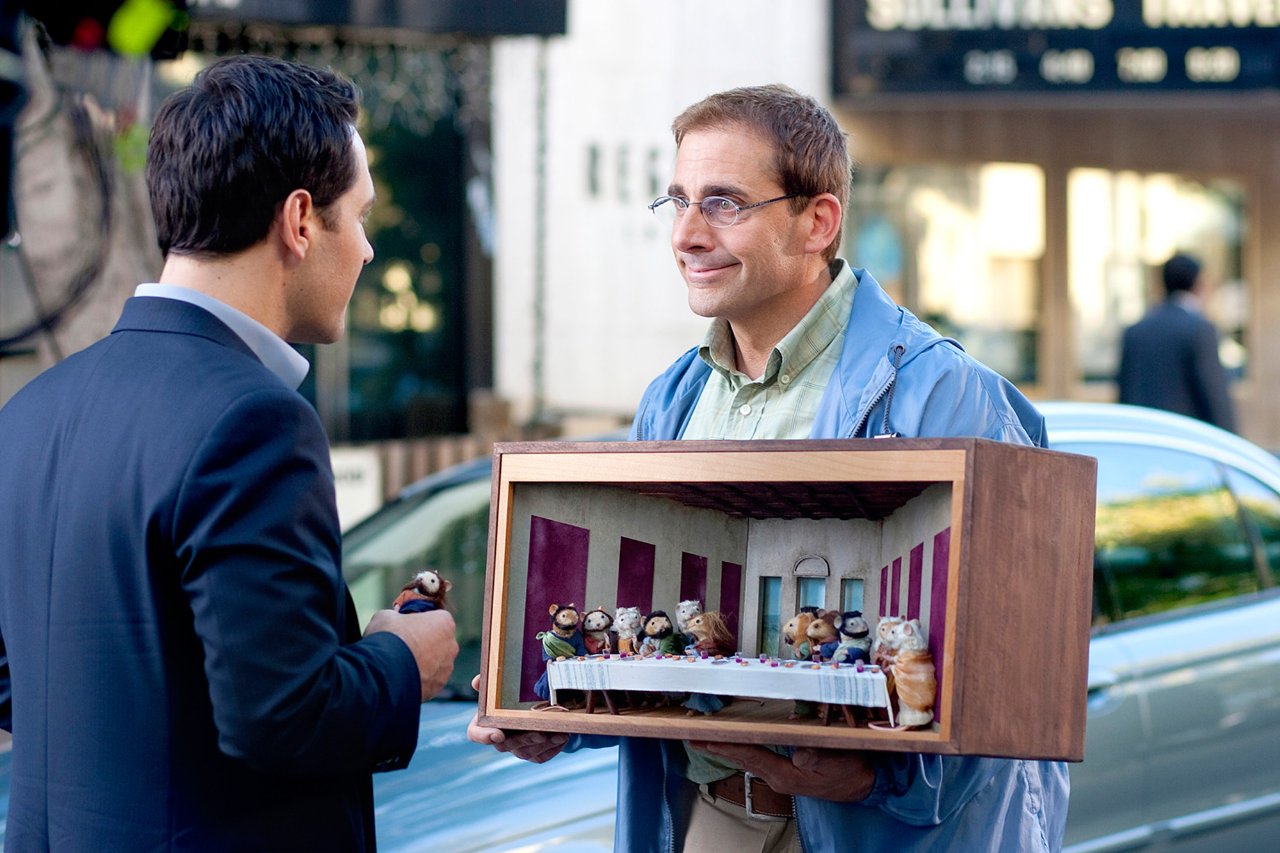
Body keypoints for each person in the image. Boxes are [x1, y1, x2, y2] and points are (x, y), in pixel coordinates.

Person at [469, 84, 1063, 852]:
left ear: (818, 221)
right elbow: (658, 662)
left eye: (724, 204)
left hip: (875, 834)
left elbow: (1018, 671)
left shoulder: (945, 392)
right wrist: (556, 718)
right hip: (708, 817)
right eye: (677, 200)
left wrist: (874, 778)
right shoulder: (674, 398)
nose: (686, 233)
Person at [0, 55, 458, 851]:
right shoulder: (255, 420)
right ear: (301, 220)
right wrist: (400, 659)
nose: (366, 250)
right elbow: (284, 715)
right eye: (360, 217)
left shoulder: (33, 408)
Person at [1118, 252, 1236, 431]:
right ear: (1197, 283)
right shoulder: (1199, 329)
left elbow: (1125, 394)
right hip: (1184, 440)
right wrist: (1230, 441)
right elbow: (1216, 399)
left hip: (1141, 437)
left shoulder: (1135, 331)